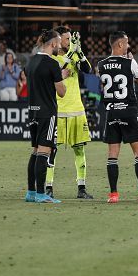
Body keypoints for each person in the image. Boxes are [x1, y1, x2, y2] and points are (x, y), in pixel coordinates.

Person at [98, 31, 138, 204]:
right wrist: (131, 63)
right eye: (126, 43)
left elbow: (103, 86)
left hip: (111, 112)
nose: (128, 46)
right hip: (128, 111)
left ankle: (113, 195)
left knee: (112, 154)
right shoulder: (129, 62)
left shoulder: (101, 64)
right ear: (119, 45)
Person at [42, 27, 93, 199]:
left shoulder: (75, 52)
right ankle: (48, 188)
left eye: (70, 39)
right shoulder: (52, 57)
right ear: (57, 41)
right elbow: (54, 74)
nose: (69, 42)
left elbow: (88, 70)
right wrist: (71, 56)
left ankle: (81, 188)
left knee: (79, 150)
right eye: (66, 39)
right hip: (57, 110)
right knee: (52, 151)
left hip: (76, 109)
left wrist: (80, 52)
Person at [24, 29, 68, 203]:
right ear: (52, 44)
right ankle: (42, 194)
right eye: (58, 43)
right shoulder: (52, 63)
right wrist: (62, 76)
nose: (60, 46)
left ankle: (31, 192)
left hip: (33, 111)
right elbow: (62, 92)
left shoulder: (31, 61)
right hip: (47, 112)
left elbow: (34, 79)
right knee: (44, 151)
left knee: (35, 151)